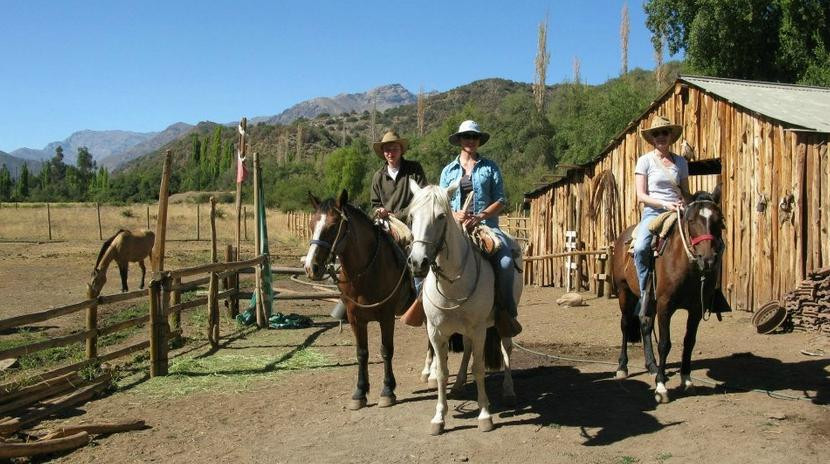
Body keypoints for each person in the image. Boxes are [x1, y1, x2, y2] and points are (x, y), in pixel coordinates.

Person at [432, 119, 522, 337]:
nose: (470, 140)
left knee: (506, 261)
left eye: (474, 137)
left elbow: (501, 200)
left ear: (479, 141)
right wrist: (455, 214)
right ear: (460, 140)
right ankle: (426, 308)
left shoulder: (490, 167)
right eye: (466, 137)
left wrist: (481, 215)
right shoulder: (448, 170)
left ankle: (505, 311)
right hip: (455, 228)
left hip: (486, 225)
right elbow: (440, 202)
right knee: (427, 259)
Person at [330, 130, 428, 323]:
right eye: (387, 149)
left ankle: (420, 300)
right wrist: (379, 212)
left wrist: (397, 214)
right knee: (360, 249)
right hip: (383, 221)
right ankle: (348, 299)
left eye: (394, 148)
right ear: (383, 152)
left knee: (417, 252)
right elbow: (374, 204)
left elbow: (423, 198)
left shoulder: (414, 170)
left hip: (411, 220)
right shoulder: (378, 176)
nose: (390, 152)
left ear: (401, 149)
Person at [633, 116, 691, 316]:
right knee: (641, 247)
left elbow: (685, 191)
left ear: (671, 136)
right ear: (652, 138)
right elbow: (641, 196)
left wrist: (685, 202)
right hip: (654, 211)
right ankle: (644, 293)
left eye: (664, 133)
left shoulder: (681, 162)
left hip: (679, 210)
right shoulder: (645, 161)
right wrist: (665, 203)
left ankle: (707, 292)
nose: (661, 137)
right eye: (656, 134)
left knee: (709, 241)